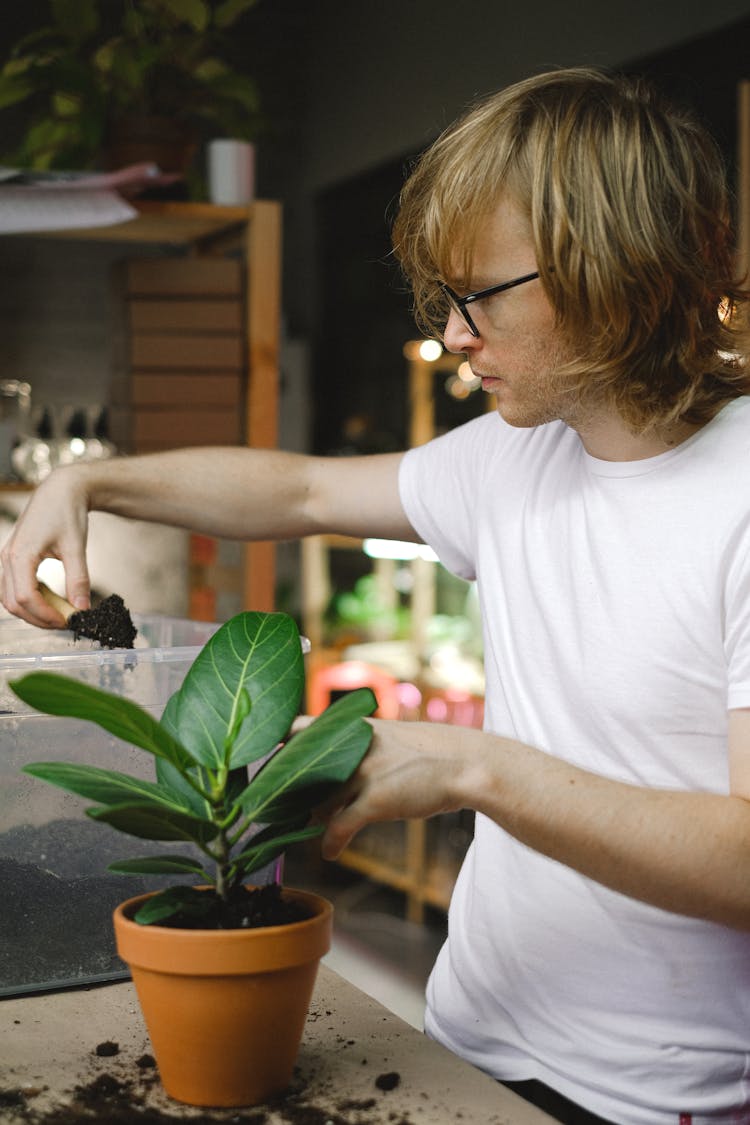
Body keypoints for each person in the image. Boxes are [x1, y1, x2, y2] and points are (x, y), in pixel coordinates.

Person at [3, 66, 750, 1124]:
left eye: (478, 298)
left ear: (614, 266)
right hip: (470, 1042)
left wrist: (478, 767)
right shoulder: (515, 457)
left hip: (659, 1098)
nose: (451, 336)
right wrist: (90, 481)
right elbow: (298, 489)